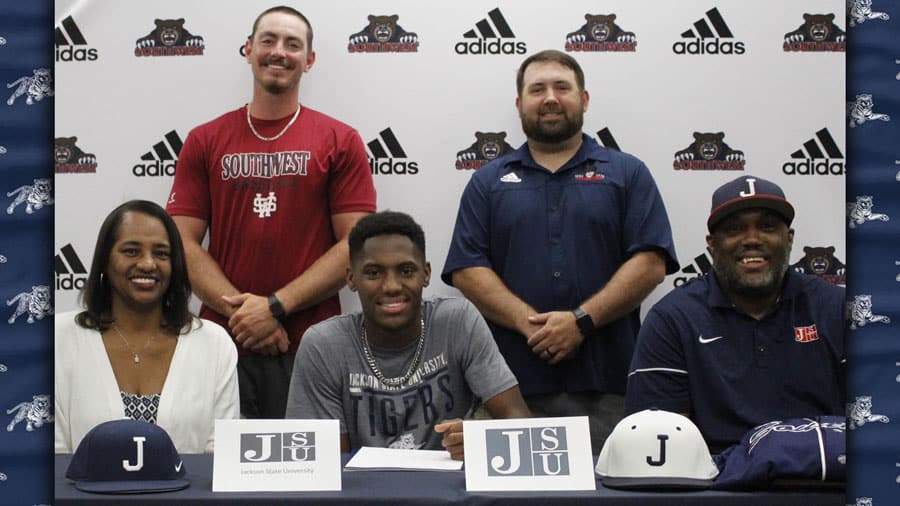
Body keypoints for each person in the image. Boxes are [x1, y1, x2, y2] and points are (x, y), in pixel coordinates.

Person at [441, 49, 678, 453]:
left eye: (562, 87)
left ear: (583, 99)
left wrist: (580, 322)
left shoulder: (626, 173)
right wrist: (530, 324)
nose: (550, 97)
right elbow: (467, 268)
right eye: (537, 89)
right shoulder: (488, 182)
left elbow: (651, 262)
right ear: (520, 105)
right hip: (509, 391)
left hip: (609, 391)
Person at [166, 6, 376, 419]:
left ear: (309, 60)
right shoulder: (205, 139)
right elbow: (180, 241)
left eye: (293, 44)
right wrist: (245, 315)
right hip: (222, 342)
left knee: (307, 478)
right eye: (268, 40)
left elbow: (357, 243)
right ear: (248, 50)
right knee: (216, 476)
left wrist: (275, 307)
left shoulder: (341, 140)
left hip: (311, 345)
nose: (279, 52)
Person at [625, 175, 846, 453]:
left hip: (823, 483)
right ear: (711, 244)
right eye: (734, 229)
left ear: (789, 239)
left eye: (767, 227)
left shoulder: (838, 308)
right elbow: (659, 441)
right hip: (716, 487)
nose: (752, 239)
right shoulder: (673, 319)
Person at [286, 211, 530, 460]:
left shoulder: (457, 321)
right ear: (351, 279)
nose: (391, 286)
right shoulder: (324, 345)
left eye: (406, 271)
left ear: (425, 274)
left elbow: (519, 421)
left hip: (449, 494)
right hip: (363, 495)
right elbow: (326, 465)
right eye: (373, 273)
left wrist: (482, 439)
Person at [55, 200, 238, 454]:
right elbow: (52, 460)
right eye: (131, 251)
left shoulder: (214, 343)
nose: (148, 264)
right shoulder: (57, 340)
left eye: (162, 254)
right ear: (105, 261)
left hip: (191, 495)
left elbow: (220, 457)